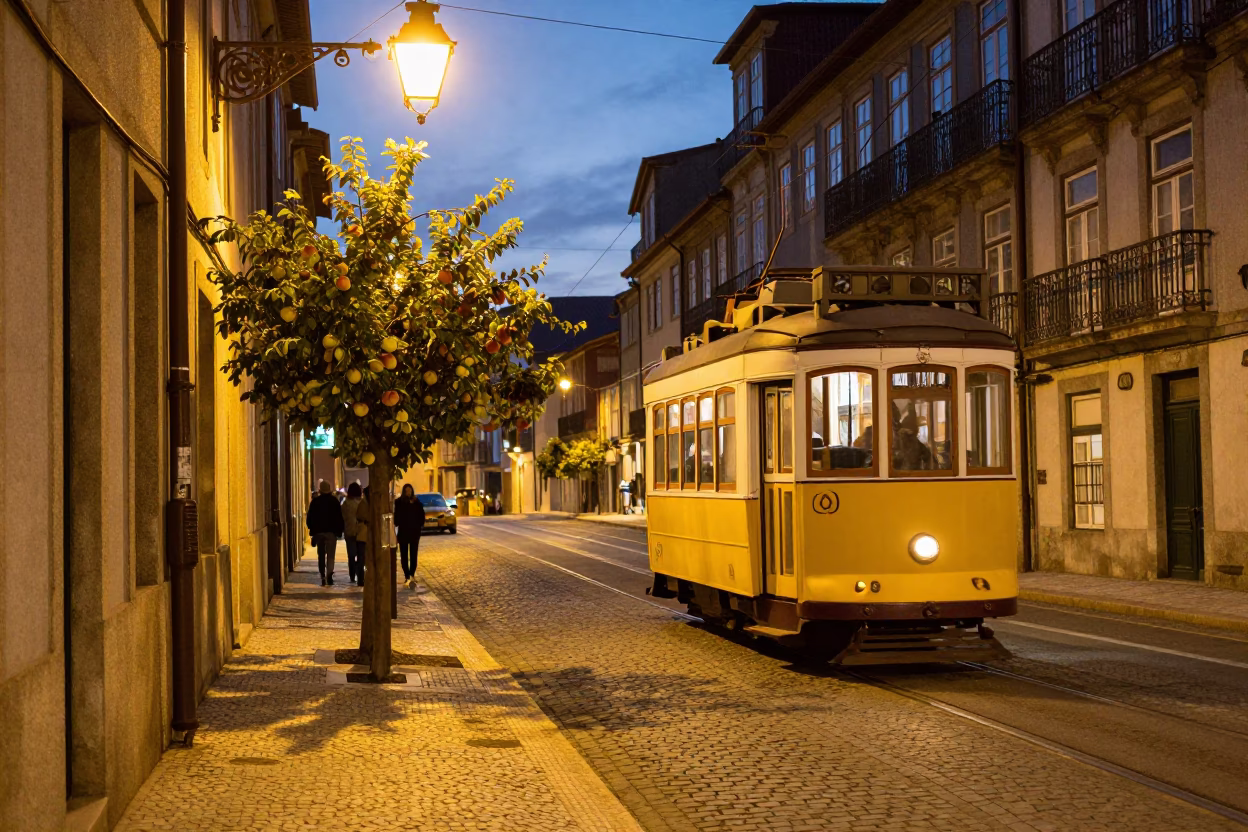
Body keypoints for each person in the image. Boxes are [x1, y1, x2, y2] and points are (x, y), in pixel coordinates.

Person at [306, 481, 343, 586]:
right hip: (331, 532)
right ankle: (329, 574)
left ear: (320, 490)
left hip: (319, 532)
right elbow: (339, 517)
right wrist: (339, 531)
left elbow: (310, 517)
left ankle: (322, 575)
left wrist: (311, 529)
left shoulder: (315, 502)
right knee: (331, 555)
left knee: (321, 554)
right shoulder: (334, 501)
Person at [394, 484, 425, 588]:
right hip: (403, 533)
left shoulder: (416, 502)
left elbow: (421, 515)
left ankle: (412, 574)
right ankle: (406, 575)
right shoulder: (399, 502)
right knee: (404, 555)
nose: (408, 492)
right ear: (404, 491)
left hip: (414, 533)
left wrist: (419, 525)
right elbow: (396, 519)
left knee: (413, 555)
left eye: (410, 490)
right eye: (406, 490)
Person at [341, 482, 365, 586]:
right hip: (361, 531)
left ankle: (352, 574)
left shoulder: (345, 503)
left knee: (351, 555)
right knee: (361, 555)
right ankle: (360, 575)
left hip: (349, 531)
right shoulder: (363, 502)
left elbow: (342, 516)